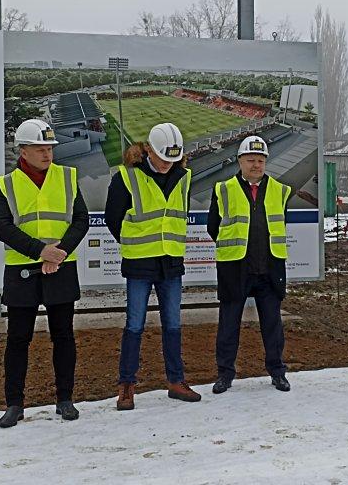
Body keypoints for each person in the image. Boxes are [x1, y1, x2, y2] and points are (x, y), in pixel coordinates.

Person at [0, 118, 89, 428]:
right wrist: (40, 251)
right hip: (23, 270)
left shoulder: (68, 177)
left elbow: (80, 220)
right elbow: (2, 227)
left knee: (63, 337)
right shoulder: (5, 184)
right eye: (40, 149)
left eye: (49, 148)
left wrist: (57, 254)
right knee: (18, 339)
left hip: (60, 267)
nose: (47, 154)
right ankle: (14, 404)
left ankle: (65, 399)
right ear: (23, 150)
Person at [104, 122, 201, 410]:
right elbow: (113, 219)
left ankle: (175, 380)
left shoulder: (183, 177)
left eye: (172, 159)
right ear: (147, 149)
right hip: (139, 264)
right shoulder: (126, 177)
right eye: (161, 158)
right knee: (134, 326)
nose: (166, 164)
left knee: (173, 325)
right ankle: (126, 386)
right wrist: (135, 242)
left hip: (171, 263)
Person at [208, 135, 292, 394]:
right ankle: (225, 374)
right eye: (250, 160)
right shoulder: (223, 189)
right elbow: (214, 227)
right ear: (240, 161)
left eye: (260, 160)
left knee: (273, 325)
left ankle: (277, 372)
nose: (256, 165)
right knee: (229, 325)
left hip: (269, 268)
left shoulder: (280, 190)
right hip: (236, 268)